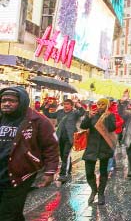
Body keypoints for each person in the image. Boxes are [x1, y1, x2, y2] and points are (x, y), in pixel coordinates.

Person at [0, 87, 59, 220]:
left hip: (20, 176)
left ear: (21, 102)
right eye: (3, 100)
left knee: (6, 215)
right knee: (12, 213)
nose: (6, 103)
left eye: (12, 101)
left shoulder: (38, 120)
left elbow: (51, 147)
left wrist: (50, 171)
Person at [80, 98, 116, 205]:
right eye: (99, 104)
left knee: (103, 172)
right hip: (92, 147)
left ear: (107, 105)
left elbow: (112, 128)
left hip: (104, 148)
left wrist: (107, 116)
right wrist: (88, 116)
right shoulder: (93, 115)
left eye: (103, 104)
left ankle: (101, 193)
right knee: (89, 172)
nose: (100, 106)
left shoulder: (110, 115)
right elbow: (83, 126)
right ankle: (93, 190)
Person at [43, 98, 85, 183]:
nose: (66, 106)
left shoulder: (75, 113)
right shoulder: (60, 112)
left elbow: (82, 112)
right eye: (65, 104)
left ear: (71, 105)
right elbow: (49, 115)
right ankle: (68, 170)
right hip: (60, 136)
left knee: (66, 155)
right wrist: (46, 107)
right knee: (62, 155)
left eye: (68, 104)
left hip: (70, 137)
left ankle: (63, 174)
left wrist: (78, 105)